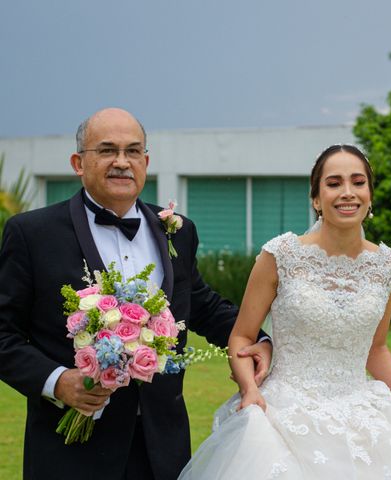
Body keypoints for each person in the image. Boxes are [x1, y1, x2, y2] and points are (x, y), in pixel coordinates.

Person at [179, 144, 391, 479]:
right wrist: (249, 391)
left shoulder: (388, 267)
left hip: (361, 409)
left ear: (370, 195)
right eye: (334, 183)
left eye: (358, 182)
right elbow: (241, 335)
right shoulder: (280, 256)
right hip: (284, 412)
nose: (347, 193)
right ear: (316, 198)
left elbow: (377, 348)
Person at [0, 108, 271, 480]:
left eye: (132, 151)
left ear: (146, 161)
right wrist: (58, 382)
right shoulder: (33, 234)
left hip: (162, 447)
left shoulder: (177, 230)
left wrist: (260, 338)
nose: (121, 162)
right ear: (79, 163)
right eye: (107, 150)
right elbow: (3, 334)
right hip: (70, 453)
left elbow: (200, 305)